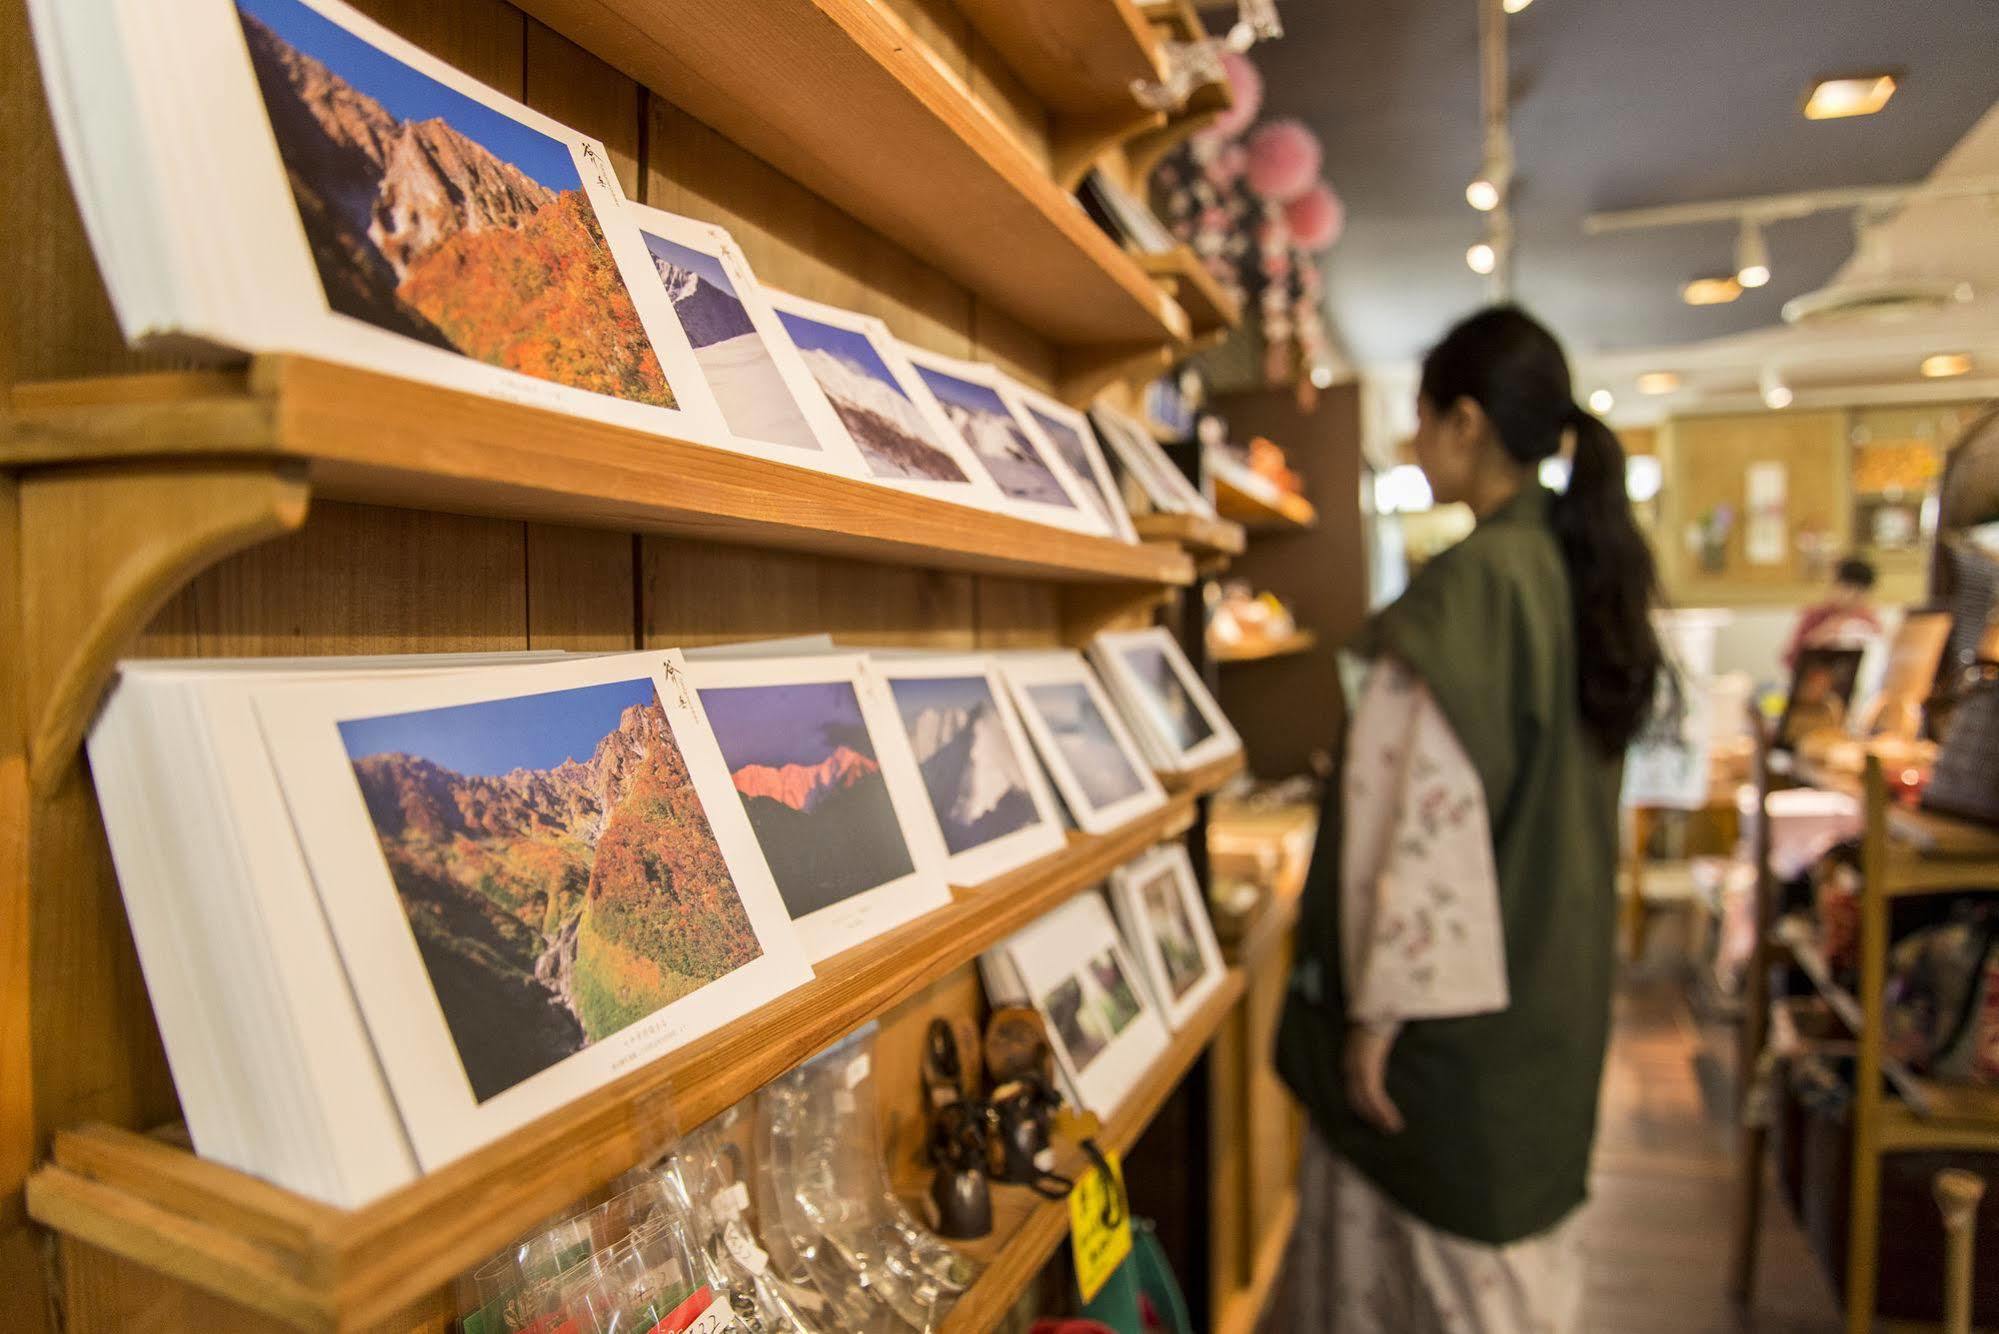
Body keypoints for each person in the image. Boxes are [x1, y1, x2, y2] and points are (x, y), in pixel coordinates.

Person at [1269, 306, 1667, 1332]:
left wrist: (1372, 1019)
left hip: (1447, 1033)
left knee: (1426, 1290)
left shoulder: (1471, 588)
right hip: (1545, 986)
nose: (1411, 442)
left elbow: (1420, 837)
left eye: (1421, 418)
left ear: (1468, 423)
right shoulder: (1572, 569)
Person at [1781, 556, 1880, 669]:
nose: (1853, 597)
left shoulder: (1868, 618)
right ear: (1834, 585)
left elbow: (1878, 658)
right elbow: (1789, 660)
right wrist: (1817, 638)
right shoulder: (1814, 615)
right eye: (1848, 588)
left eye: (1860, 592)